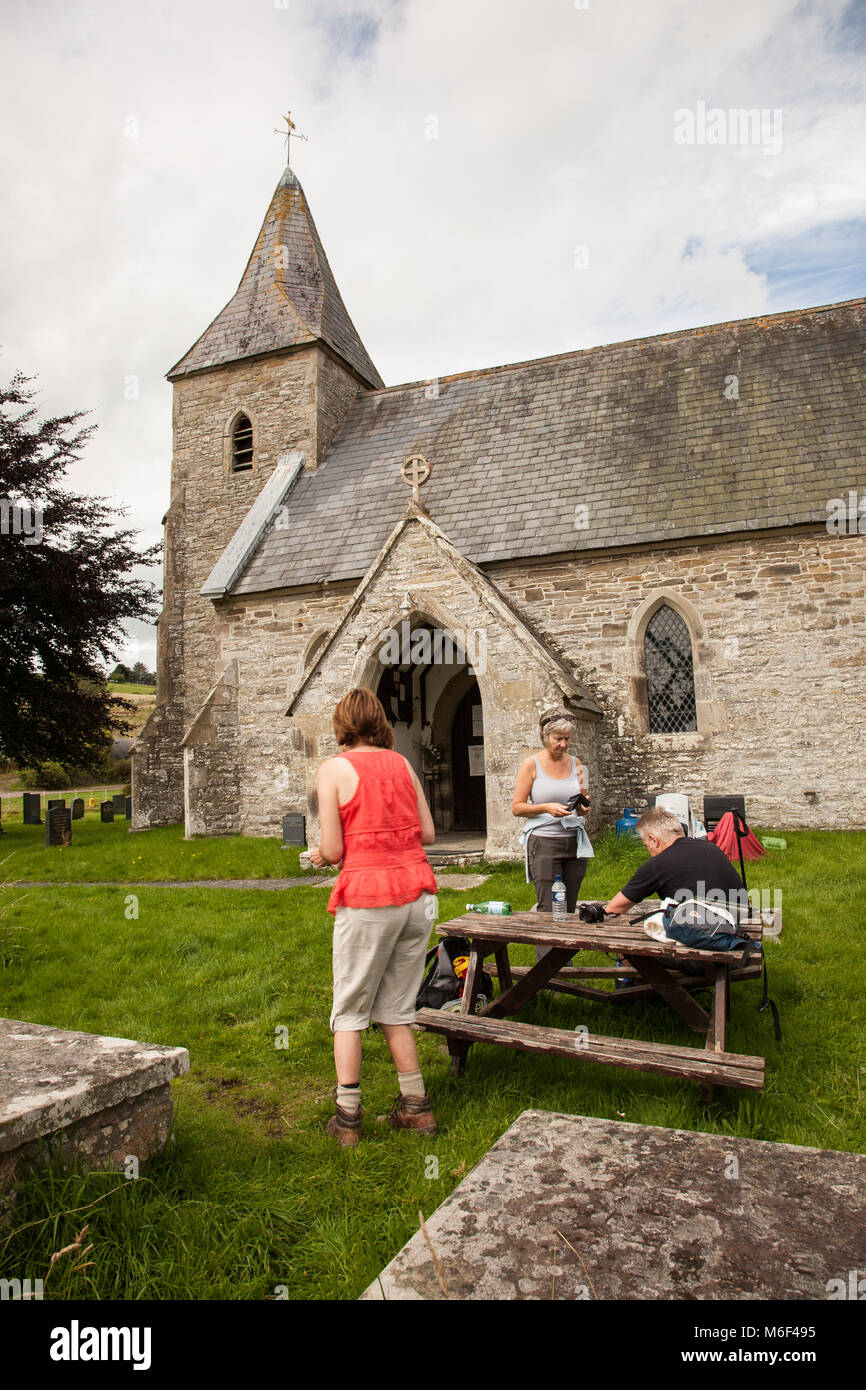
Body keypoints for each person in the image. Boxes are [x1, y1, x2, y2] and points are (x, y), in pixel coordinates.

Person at [308, 687, 439, 1148]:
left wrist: (320, 857)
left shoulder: (334, 769)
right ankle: (416, 1108)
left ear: (341, 725)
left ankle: (347, 1119)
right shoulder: (402, 763)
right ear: (380, 722)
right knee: (397, 1008)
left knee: (349, 1010)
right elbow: (427, 831)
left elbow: (334, 849)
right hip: (418, 894)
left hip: (369, 896)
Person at [511, 706, 593, 913]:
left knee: (569, 909)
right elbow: (517, 808)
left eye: (567, 739)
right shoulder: (530, 765)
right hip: (544, 842)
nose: (564, 744)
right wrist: (547, 808)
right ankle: (546, 945)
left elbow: (583, 800)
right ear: (544, 736)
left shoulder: (578, 764)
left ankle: (567, 946)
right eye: (558, 738)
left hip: (574, 841)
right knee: (550, 909)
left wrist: (583, 808)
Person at [604, 806, 747, 917]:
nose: (648, 852)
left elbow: (613, 909)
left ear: (654, 839)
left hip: (704, 936)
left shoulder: (658, 864)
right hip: (738, 928)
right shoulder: (712, 848)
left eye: (646, 845)